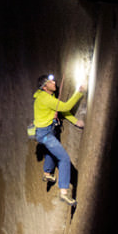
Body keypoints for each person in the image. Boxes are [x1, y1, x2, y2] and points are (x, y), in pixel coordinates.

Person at [32, 74, 85, 205]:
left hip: (47, 130)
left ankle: (47, 173)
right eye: (51, 82)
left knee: (51, 152)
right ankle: (63, 192)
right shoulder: (45, 99)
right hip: (45, 133)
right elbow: (66, 106)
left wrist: (75, 121)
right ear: (45, 87)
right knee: (64, 158)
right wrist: (79, 92)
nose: (54, 82)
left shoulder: (47, 96)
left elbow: (60, 109)